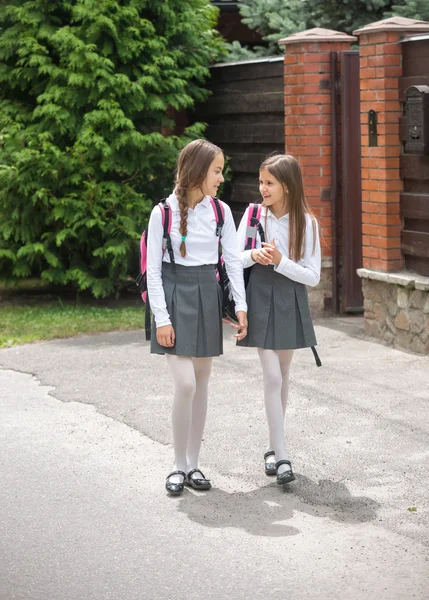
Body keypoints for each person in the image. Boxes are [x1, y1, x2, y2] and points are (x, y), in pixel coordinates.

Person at [146, 139, 248, 496]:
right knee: (185, 384)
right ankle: (177, 465)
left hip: (207, 294)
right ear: (197, 171)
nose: (221, 178)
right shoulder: (163, 212)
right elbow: (153, 271)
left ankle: (193, 464)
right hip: (174, 298)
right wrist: (161, 318)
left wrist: (241, 306)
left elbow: (233, 261)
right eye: (217, 171)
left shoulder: (221, 212)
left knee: (202, 382)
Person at [237, 154, 321, 486]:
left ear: (286, 186)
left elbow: (312, 276)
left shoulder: (307, 223)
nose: (263, 188)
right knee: (272, 377)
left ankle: (273, 447)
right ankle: (283, 456)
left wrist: (281, 261)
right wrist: (253, 255)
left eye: (269, 183)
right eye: (261, 182)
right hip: (259, 296)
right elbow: (232, 256)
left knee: (283, 376)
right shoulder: (254, 214)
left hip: (290, 299)